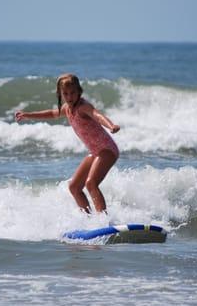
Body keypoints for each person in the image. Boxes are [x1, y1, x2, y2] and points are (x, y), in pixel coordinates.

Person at [15, 74, 120, 214]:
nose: (69, 97)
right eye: (66, 94)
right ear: (60, 94)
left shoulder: (83, 107)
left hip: (107, 150)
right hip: (95, 152)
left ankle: (104, 220)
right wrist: (28, 115)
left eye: (73, 93)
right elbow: (52, 114)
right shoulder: (66, 108)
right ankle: (88, 220)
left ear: (79, 92)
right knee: (74, 187)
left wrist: (111, 125)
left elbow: (96, 115)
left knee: (91, 183)